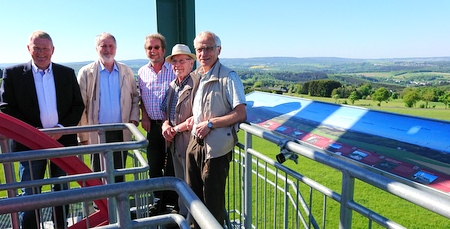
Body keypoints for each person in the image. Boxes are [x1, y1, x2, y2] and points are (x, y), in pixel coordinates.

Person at [0, 30, 84, 229]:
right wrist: (33, 132)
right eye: (36, 48)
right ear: (28, 49)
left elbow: (77, 105)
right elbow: (6, 107)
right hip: (29, 144)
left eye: (45, 48)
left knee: (62, 191)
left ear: (52, 50)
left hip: (61, 142)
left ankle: (61, 226)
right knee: (30, 193)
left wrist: (61, 128)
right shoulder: (12, 74)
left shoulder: (66, 73)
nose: (41, 52)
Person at [186, 31, 247, 228]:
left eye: (209, 48)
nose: (204, 53)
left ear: (218, 50)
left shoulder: (228, 77)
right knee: (192, 198)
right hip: (195, 143)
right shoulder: (197, 76)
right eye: (200, 49)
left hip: (217, 148)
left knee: (212, 202)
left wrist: (211, 123)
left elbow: (240, 113)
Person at [77, 32, 140, 183]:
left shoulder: (126, 71)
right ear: (96, 48)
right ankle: (101, 206)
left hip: (121, 131)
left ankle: (119, 206)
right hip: (96, 132)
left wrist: (133, 119)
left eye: (111, 46)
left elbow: (135, 97)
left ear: (116, 48)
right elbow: (81, 106)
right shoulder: (86, 73)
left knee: (119, 175)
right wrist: (83, 135)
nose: (107, 49)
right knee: (98, 176)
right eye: (103, 46)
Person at [138, 33, 177, 214]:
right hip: (153, 126)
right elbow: (141, 98)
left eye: (156, 47)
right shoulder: (141, 72)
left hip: (172, 126)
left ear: (163, 50)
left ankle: (171, 203)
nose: (153, 51)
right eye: (149, 48)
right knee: (154, 165)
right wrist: (144, 115)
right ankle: (157, 200)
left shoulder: (173, 69)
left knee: (171, 166)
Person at [161, 44, 198, 217]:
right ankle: (184, 220)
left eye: (182, 60)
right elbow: (164, 113)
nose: (178, 64)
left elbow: (197, 118)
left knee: (192, 187)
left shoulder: (197, 84)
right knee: (181, 184)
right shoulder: (172, 86)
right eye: (174, 61)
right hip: (175, 145)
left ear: (191, 63)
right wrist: (165, 126)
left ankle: (193, 223)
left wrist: (174, 128)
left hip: (191, 144)